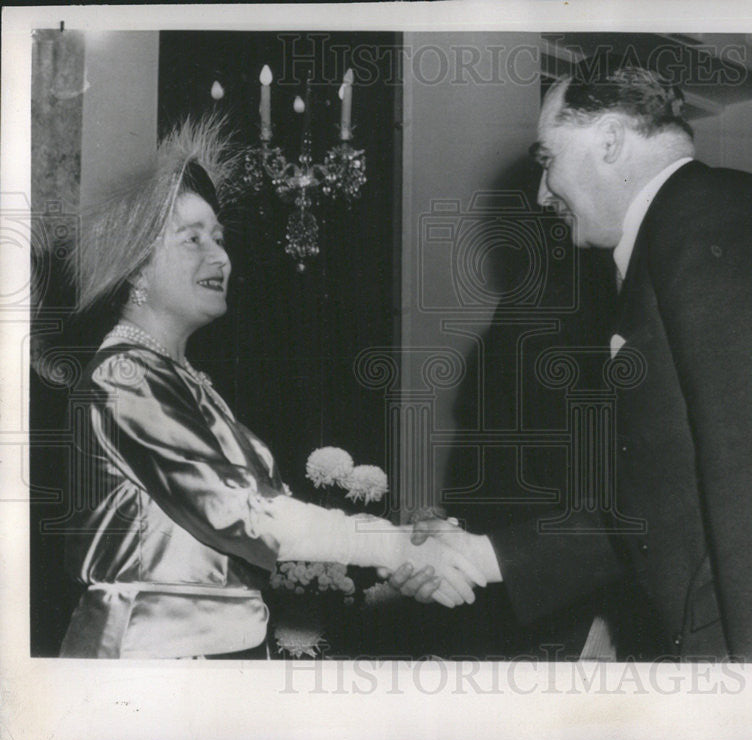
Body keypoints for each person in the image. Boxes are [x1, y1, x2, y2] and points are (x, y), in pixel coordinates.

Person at [392, 65, 752, 663]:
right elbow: (660, 507)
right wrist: (481, 557)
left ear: (609, 140)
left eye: (546, 158)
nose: (541, 193)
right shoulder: (686, 230)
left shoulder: (708, 223)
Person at [59, 117, 485, 659]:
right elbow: (245, 513)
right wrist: (393, 545)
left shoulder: (181, 378)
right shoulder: (125, 375)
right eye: (192, 239)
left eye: (219, 236)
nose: (220, 255)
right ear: (136, 267)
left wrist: (396, 555)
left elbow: (266, 516)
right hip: (149, 665)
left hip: (211, 659)